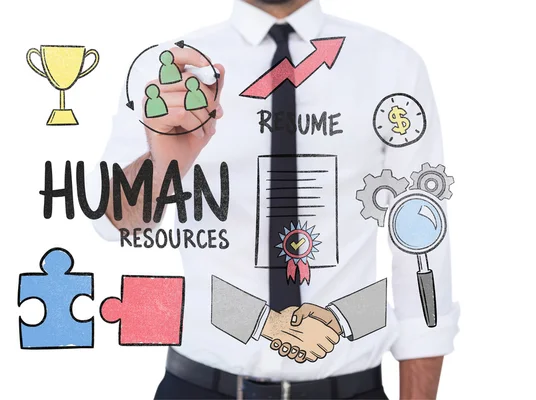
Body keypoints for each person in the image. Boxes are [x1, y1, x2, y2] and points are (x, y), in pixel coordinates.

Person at [87, 0, 459, 398]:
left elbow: (420, 247)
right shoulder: (168, 71)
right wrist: (163, 165)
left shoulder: (392, 65)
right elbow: (114, 224)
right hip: (200, 386)